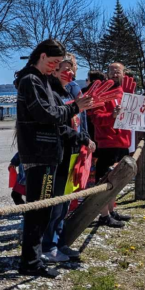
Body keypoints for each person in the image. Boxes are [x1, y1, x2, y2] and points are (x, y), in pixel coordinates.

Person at [14, 39, 93, 278]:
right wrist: (74, 108)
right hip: (39, 152)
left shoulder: (42, 80)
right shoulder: (30, 80)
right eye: (54, 62)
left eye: (59, 64)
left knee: (43, 209)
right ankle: (31, 260)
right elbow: (44, 113)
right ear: (42, 55)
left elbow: (54, 109)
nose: (55, 67)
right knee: (39, 209)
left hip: (48, 152)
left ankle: (32, 258)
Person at [40, 58, 95, 263]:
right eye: (65, 69)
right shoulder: (52, 94)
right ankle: (48, 245)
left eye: (72, 70)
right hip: (57, 154)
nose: (70, 74)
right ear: (54, 72)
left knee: (64, 201)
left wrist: (85, 138)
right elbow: (59, 125)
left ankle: (59, 240)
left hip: (72, 152)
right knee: (55, 202)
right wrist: (81, 138)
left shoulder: (69, 93)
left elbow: (80, 122)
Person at [87, 62, 132, 228]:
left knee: (117, 179)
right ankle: (103, 214)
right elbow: (96, 119)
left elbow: (134, 117)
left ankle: (111, 210)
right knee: (103, 180)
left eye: (118, 71)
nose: (114, 74)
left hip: (123, 142)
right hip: (107, 143)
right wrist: (112, 116)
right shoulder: (101, 93)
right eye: (111, 71)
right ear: (107, 74)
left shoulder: (125, 93)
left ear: (123, 73)